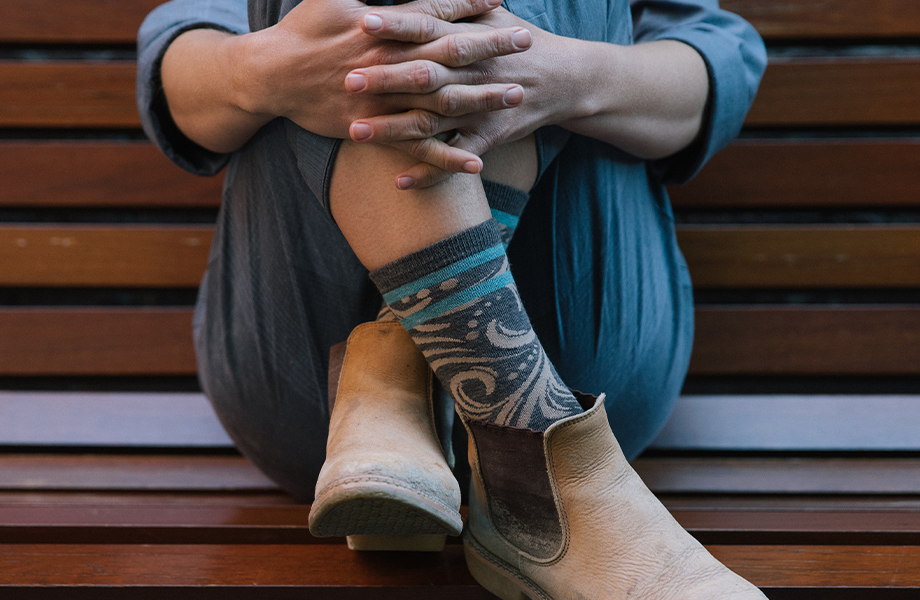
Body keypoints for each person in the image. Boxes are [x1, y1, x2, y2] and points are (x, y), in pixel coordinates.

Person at [138, 0, 768, 596]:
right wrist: (270, 69)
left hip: (583, 351)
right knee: (339, 22)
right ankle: (539, 456)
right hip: (304, 393)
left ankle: (390, 388)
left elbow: (711, 66)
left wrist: (568, 76)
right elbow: (187, 60)